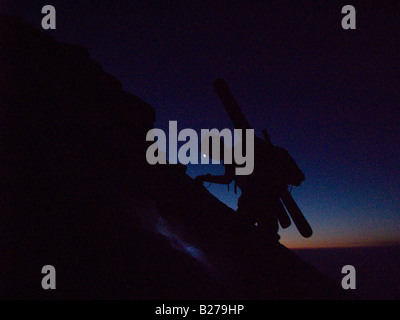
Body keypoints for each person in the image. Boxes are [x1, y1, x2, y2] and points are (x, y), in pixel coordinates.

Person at [195, 134, 281, 242]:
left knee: (238, 231)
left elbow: (227, 179)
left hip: (254, 196)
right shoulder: (235, 153)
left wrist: (206, 178)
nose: (211, 156)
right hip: (268, 196)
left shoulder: (231, 156)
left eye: (210, 153)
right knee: (268, 232)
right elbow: (229, 179)